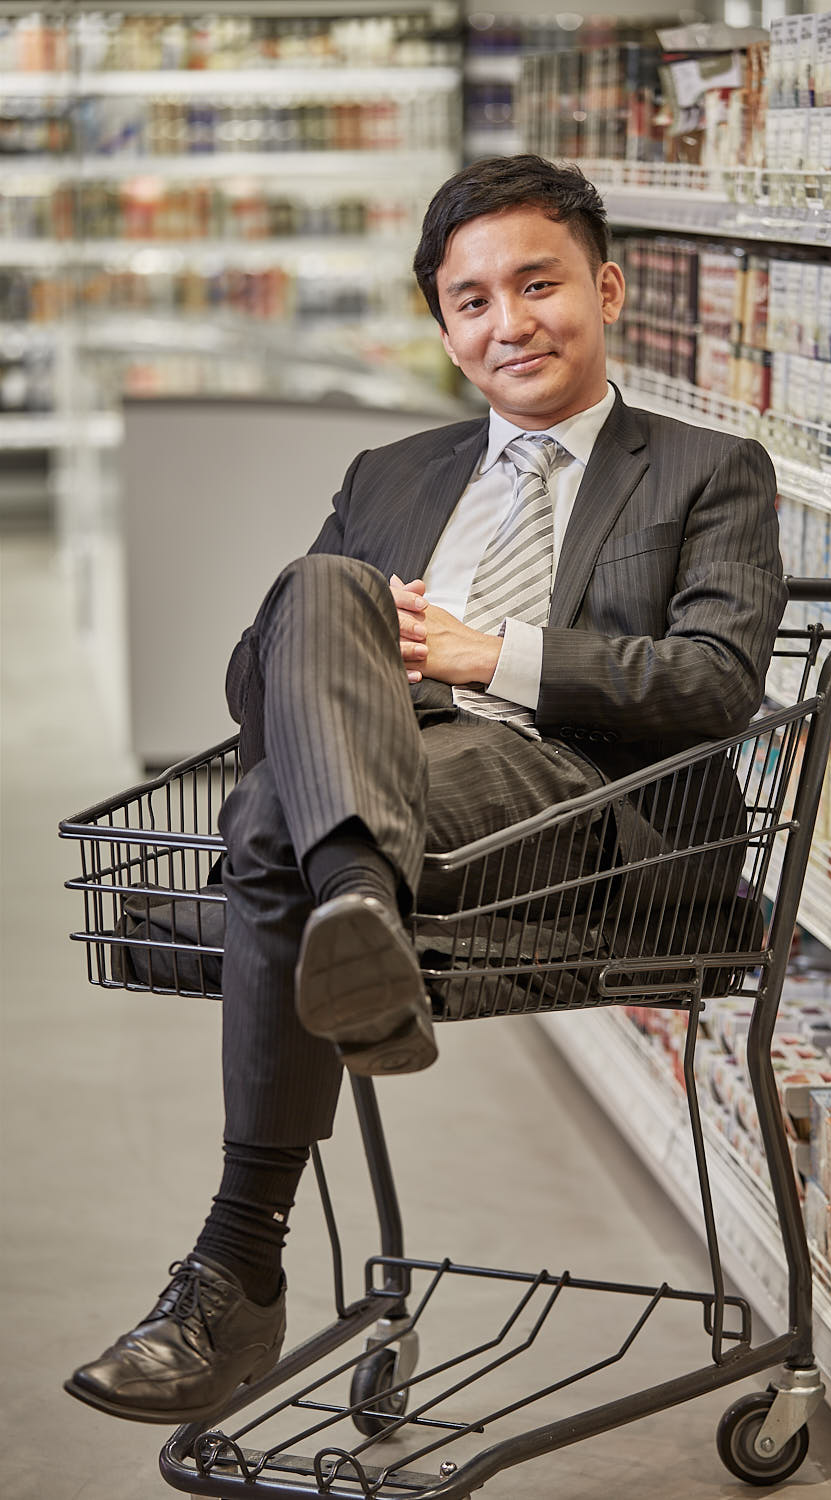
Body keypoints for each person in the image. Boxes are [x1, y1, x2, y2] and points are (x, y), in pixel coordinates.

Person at [65, 155, 786, 1426]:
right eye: (471, 301)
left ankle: (235, 1265)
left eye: (538, 285)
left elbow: (718, 682)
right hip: (394, 774)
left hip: (576, 800)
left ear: (605, 289)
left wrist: (482, 653)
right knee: (315, 594)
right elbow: (255, 684)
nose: (508, 323)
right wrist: (342, 628)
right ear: (443, 328)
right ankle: (358, 907)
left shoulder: (707, 469)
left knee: (273, 826)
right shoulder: (389, 473)